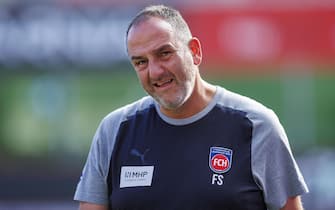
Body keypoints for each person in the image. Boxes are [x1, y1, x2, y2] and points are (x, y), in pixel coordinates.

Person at [74, 4, 308, 210]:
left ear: (194, 51)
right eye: (141, 62)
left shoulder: (256, 126)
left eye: (164, 53)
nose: (155, 71)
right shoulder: (115, 130)